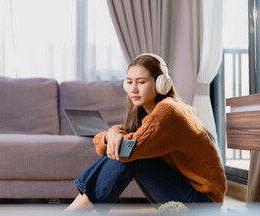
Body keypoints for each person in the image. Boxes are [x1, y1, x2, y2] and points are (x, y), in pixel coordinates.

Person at [65, 53, 226, 212]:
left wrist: (113, 136)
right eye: (129, 82)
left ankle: (78, 210)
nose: (133, 89)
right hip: (188, 196)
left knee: (130, 154)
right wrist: (111, 133)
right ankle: (81, 208)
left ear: (161, 84)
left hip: (203, 205)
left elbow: (127, 151)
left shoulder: (168, 111)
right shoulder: (145, 117)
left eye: (141, 82)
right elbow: (104, 148)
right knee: (127, 149)